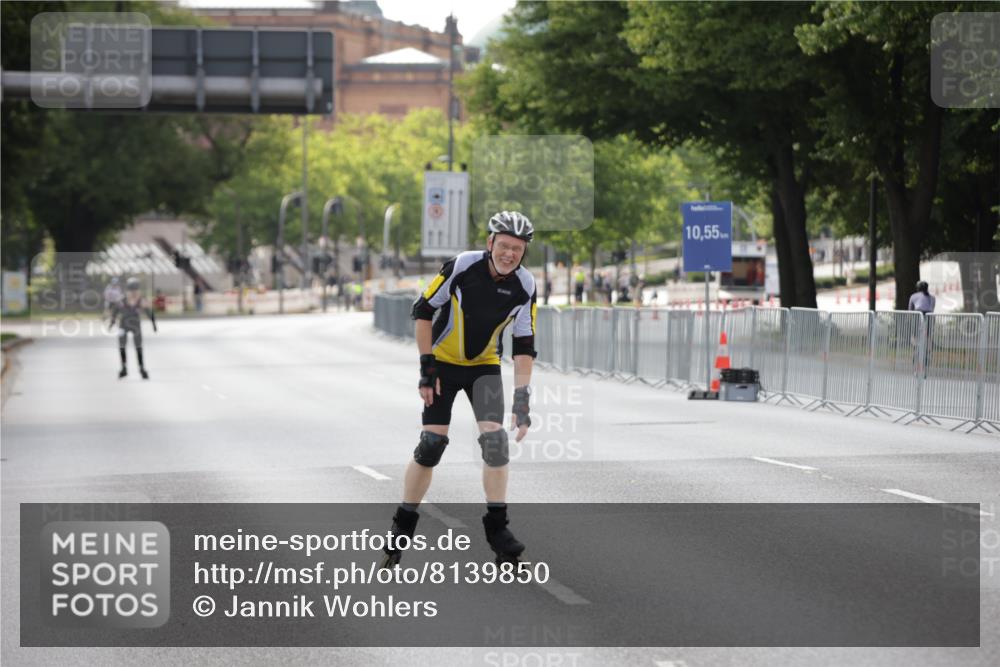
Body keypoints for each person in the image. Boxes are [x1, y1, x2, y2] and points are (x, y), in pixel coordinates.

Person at [382, 211, 537, 568]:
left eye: (517, 249)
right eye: (504, 246)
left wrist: (523, 400)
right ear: (490, 243)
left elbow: (525, 344)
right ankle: (401, 526)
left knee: (495, 444)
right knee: (432, 444)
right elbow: (422, 310)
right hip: (444, 365)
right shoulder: (463, 266)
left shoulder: (525, 285)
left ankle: (499, 531)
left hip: (484, 367)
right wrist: (426, 368)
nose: (510, 254)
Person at [110, 277, 157, 379]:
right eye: (131, 290)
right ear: (127, 290)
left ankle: (141, 368)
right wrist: (112, 322)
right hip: (123, 324)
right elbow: (115, 311)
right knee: (122, 346)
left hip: (136, 325)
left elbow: (149, 312)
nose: (133, 293)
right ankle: (124, 368)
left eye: (135, 290)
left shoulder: (141, 301)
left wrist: (153, 323)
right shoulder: (122, 300)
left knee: (138, 346)